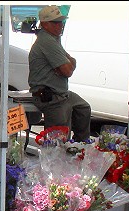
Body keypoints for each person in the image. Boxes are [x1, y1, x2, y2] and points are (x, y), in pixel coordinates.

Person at [28, 5, 91, 142]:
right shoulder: (47, 41)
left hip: (60, 93)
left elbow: (70, 64)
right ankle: (60, 155)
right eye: (56, 22)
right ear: (44, 24)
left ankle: (79, 145)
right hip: (50, 97)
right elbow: (68, 70)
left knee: (83, 108)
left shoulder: (54, 39)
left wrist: (67, 64)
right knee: (58, 138)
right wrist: (67, 64)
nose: (60, 25)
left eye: (61, 22)